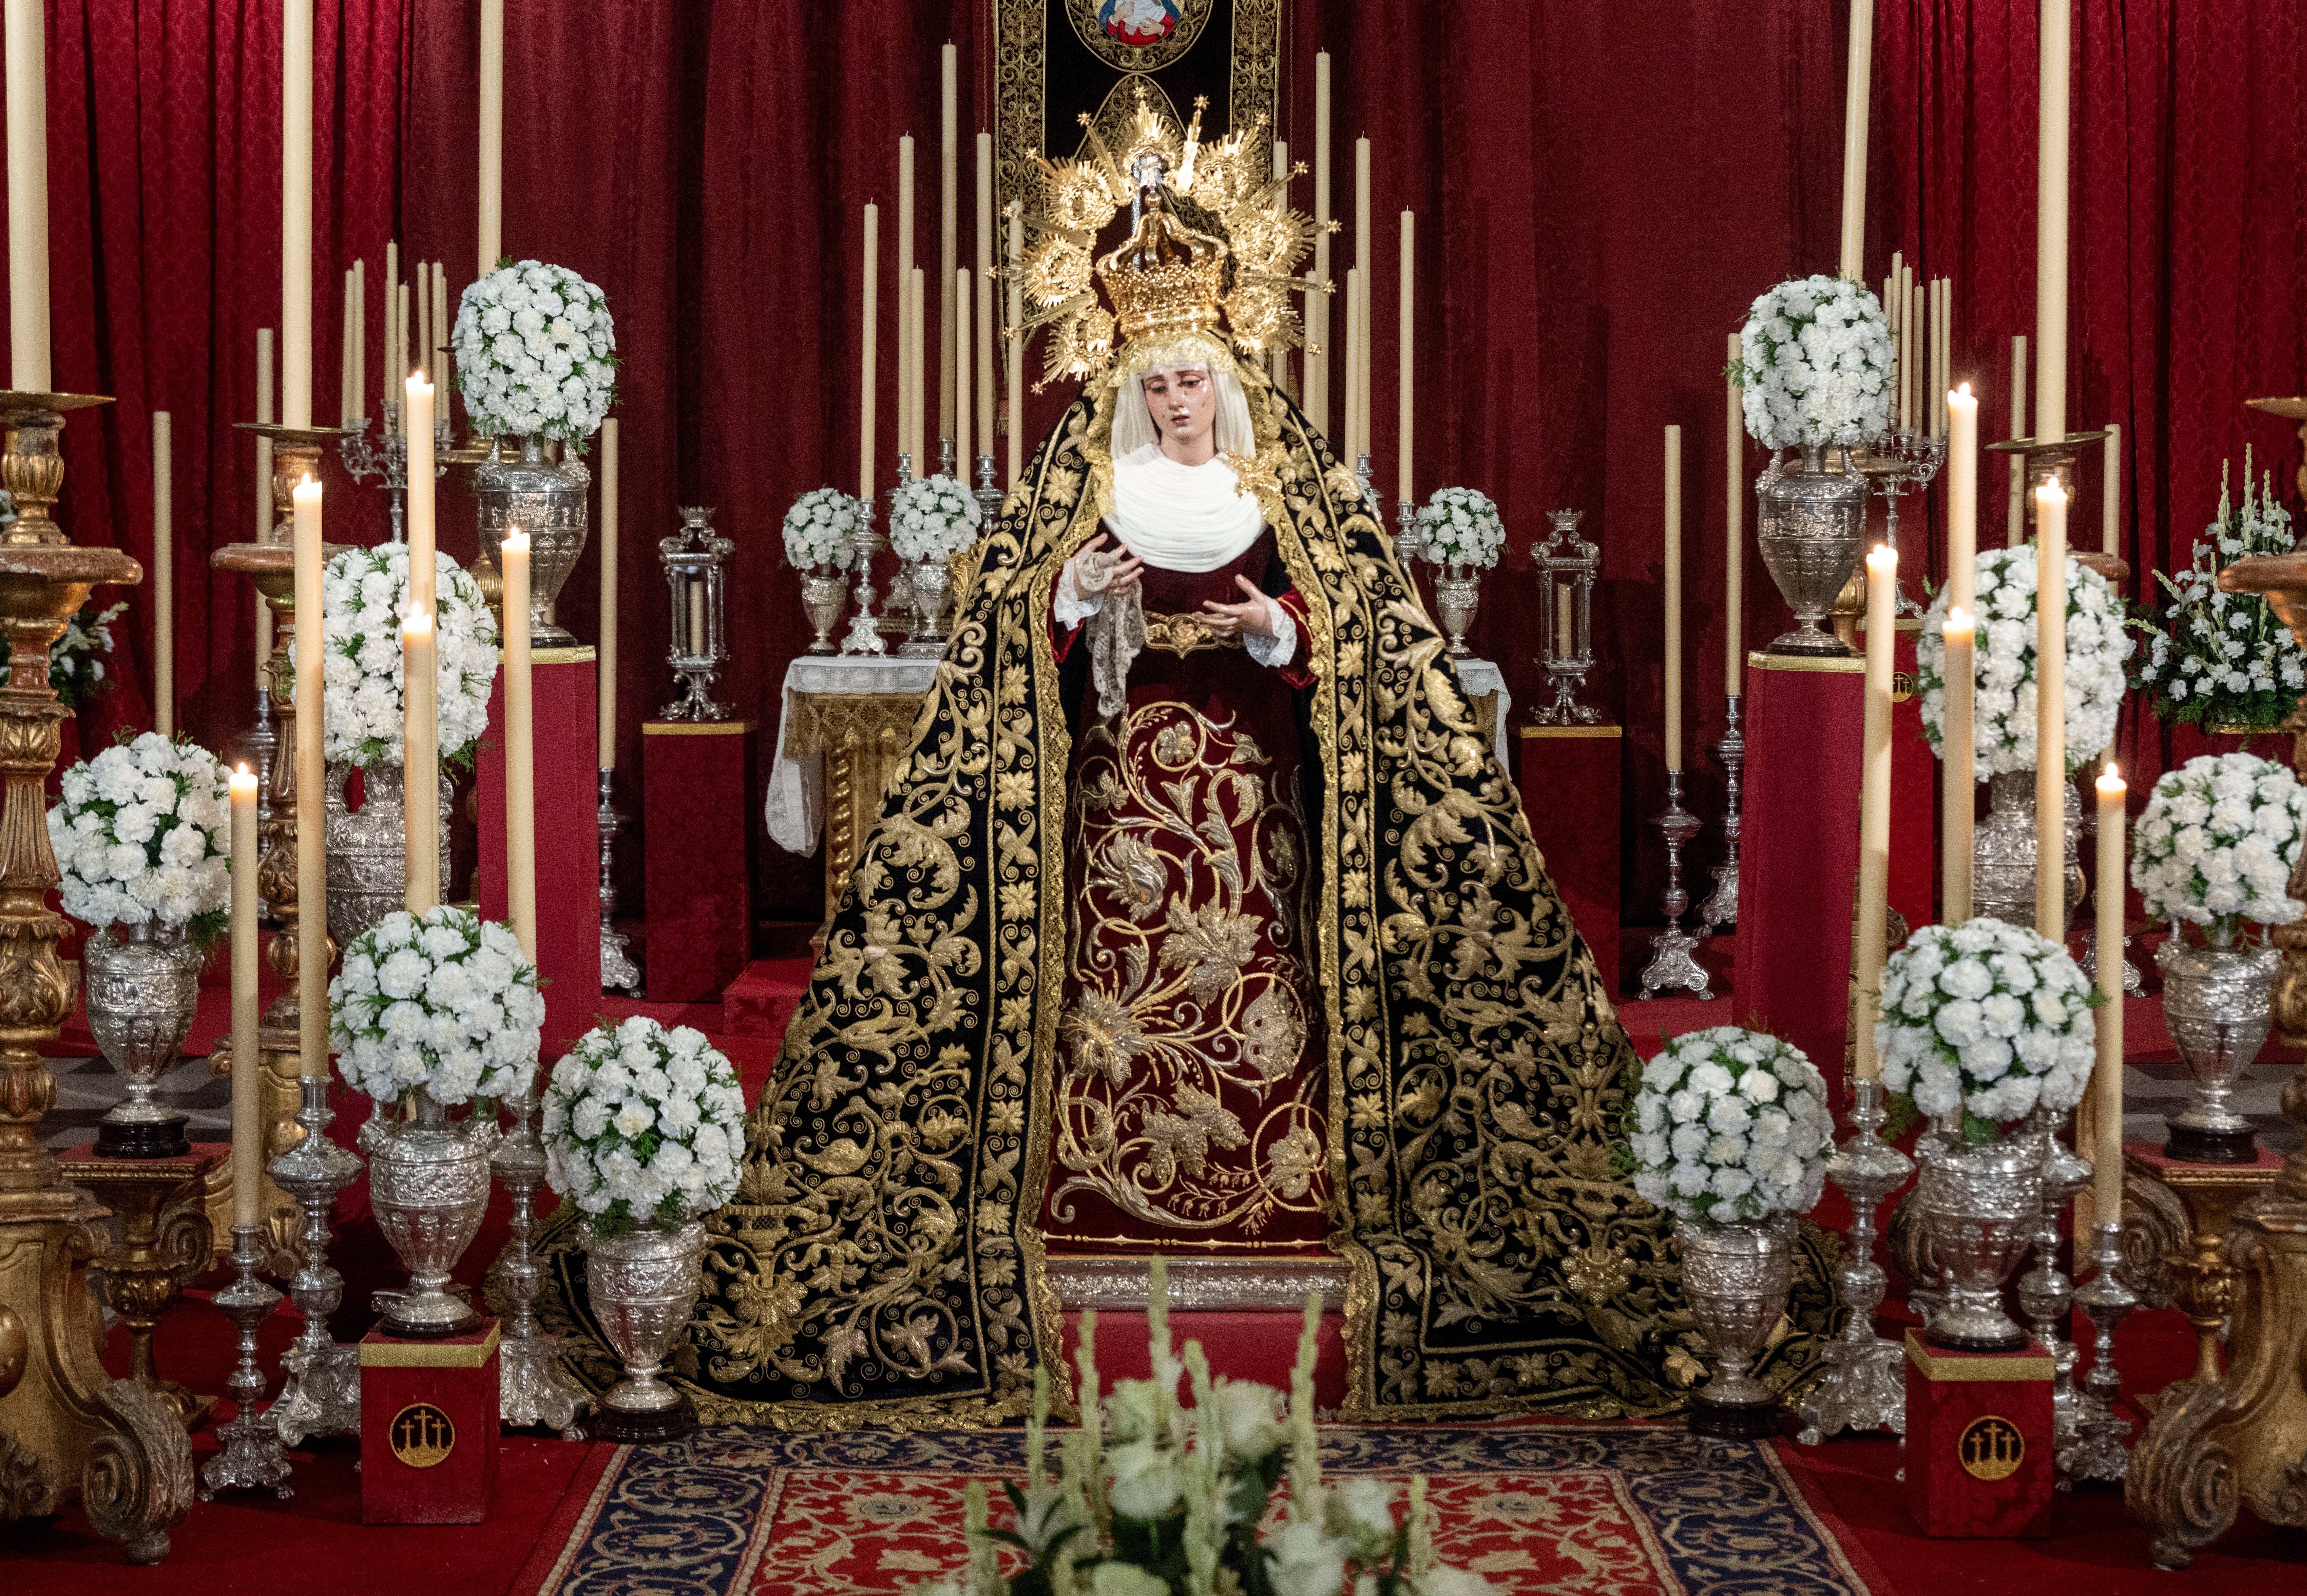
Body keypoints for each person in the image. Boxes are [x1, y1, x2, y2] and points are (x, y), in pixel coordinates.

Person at [534, 107, 1832, 1427]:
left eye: (1191, 379)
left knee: (1261, 997)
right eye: (1154, 382)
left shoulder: (1288, 490)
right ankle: (1082, 1195)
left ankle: (1290, 1194)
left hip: (1255, 811)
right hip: (1115, 814)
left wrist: (1284, 628)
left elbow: (1372, 632)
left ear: (1226, 373)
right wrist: (1067, 599)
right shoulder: (1083, 483)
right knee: (1111, 1015)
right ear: (1130, 384)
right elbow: (999, 637)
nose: (1174, 399)